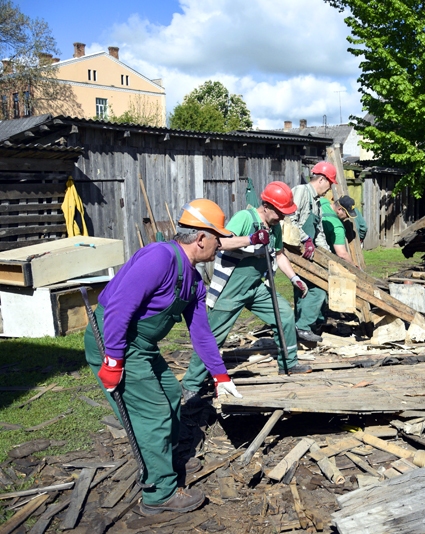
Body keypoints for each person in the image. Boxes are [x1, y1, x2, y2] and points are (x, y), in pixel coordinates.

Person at [84, 199, 244, 516]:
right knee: (152, 412)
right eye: (218, 238)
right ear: (201, 238)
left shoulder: (195, 281)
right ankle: (159, 493)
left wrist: (221, 375)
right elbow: (118, 310)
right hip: (114, 340)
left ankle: (166, 461)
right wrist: (113, 362)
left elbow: (201, 333)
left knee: (172, 393)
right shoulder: (158, 258)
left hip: (141, 345)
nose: (221, 246)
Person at [182, 182, 312, 401]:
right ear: (266, 206)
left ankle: (288, 364)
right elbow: (220, 242)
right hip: (232, 285)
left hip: (256, 285)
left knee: (285, 314)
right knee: (215, 335)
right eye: (280, 212)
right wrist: (251, 239)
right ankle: (192, 383)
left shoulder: (275, 227)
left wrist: (294, 278)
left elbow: (279, 254)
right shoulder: (244, 217)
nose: (282, 217)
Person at [289, 162, 336, 342]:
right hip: (295, 250)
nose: (330, 188)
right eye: (330, 183)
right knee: (318, 288)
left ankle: (299, 327)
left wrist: (327, 256)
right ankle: (303, 327)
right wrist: (304, 238)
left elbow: (319, 233)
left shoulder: (317, 202)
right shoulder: (301, 192)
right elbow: (289, 220)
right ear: (322, 180)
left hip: (308, 251)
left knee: (303, 288)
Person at [320, 194, 358, 266]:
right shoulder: (337, 227)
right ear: (339, 209)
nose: (347, 217)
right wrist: (353, 266)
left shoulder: (322, 202)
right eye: (347, 214)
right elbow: (342, 254)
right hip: (323, 257)